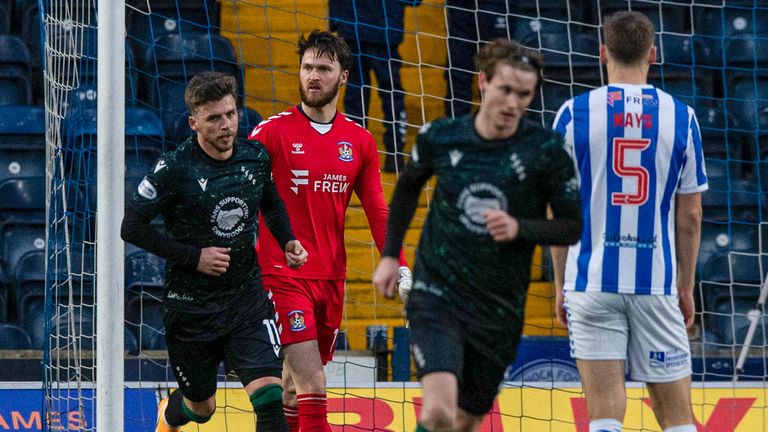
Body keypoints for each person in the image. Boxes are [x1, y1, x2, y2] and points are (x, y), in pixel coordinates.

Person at [373, 39, 582, 432]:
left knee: (464, 421)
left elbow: (572, 227)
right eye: (505, 90)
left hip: (498, 308)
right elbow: (406, 190)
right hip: (438, 294)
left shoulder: (546, 150)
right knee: (437, 413)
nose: (513, 103)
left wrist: (521, 227)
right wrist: (389, 255)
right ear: (482, 82)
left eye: (524, 94)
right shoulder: (442, 136)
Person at [121, 71, 308, 432]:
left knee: (272, 399)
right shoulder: (173, 168)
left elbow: (271, 202)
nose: (226, 125)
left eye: (231, 114)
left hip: (246, 300)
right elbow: (131, 227)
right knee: (201, 409)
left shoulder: (255, 156)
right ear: (194, 122)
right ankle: (168, 414)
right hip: (191, 309)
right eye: (214, 118)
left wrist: (287, 240)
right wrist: (195, 257)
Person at [551, 11, 707, 432]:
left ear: (603, 52)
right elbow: (690, 215)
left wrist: (560, 284)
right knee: (677, 417)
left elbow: (557, 211)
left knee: (603, 413)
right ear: (653, 54)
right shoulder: (682, 116)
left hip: (591, 282)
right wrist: (685, 285)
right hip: (655, 284)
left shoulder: (572, 113)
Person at [248, 30, 411, 432]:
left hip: (331, 277)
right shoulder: (271, 133)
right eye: (307, 68)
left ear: (343, 77)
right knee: (313, 384)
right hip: (281, 276)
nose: (313, 76)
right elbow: (238, 198)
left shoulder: (359, 141)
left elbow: (377, 211)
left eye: (323, 68)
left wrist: (400, 263)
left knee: (292, 389)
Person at [328, 0, 421, 172]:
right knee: (388, 93)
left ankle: (358, 155)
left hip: (356, 26)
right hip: (381, 27)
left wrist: (336, 19)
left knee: (359, 93)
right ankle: (394, 155)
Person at [444, 0, 511, 118]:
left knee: (497, 70)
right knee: (457, 72)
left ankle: (494, 127)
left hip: (497, 6)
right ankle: (456, 127)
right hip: (460, 6)